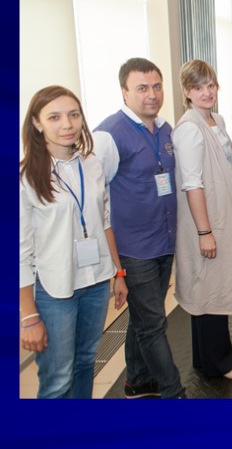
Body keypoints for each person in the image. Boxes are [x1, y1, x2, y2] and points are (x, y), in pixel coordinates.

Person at [20, 85, 127, 398]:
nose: (67, 124)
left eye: (73, 115)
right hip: (55, 289)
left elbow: (103, 222)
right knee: (58, 379)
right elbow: (18, 253)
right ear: (37, 123)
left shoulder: (91, 164)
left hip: (95, 282)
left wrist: (118, 272)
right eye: (54, 117)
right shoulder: (26, 178)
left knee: (85, 363)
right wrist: (28, 316)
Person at [94, 57, 185, 398]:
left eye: (157, 86)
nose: (152, 94)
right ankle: (174, 392)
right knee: (153, 324)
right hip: (134, 249)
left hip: (164, 241)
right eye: (142, 88)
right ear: (124, 92)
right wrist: (114, 266)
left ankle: (137, 380)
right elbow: (96, 198)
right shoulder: (108, 134)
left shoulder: (165, 128)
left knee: (143, 317)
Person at [173, 60, 232, 375]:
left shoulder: (215, 120)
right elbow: (192, 184)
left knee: (212, 287)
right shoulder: (189, 129)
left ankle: (205, 360)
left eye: (211, 85)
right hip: (208, 222)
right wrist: (205, 233)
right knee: (211, 290)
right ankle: (221, 362)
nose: (206, 92)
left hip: (223, 216)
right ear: (186, 92)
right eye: (198, 87)